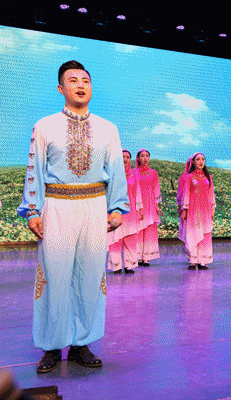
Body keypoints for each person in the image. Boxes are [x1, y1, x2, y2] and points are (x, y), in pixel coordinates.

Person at [17, 60, 128, 373]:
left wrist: (116, 207)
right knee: (54, 276)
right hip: (57, 206)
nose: (80, 85)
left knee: (91, 277)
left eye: (85, 80)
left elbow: (116, 170)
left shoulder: (108, 128)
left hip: (94, 206)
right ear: (60, 88)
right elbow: (34, 170)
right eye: (73, 80)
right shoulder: (45, 126)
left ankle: (82, 343)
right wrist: (33, 210)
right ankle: (52, 346)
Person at [107, 150, 143, 274]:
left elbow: (138, 193)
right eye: (122, 156)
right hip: (115, 211)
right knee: (115, 238)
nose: (125, 159)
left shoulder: (134, 176)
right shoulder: (111, 174)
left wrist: (140, 209)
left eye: (127, 157)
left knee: (131, 237)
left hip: (131, 211)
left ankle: (129, 265)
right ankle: (116, 265)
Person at [181, 153, 216, 270]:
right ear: (193, 162)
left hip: (206, 210)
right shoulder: (189, 177)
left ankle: (203, 261)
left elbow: (211, 193)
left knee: (205, 233)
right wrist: (184, 210)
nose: (201, 161)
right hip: (193, 209)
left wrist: (213, 208)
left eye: (203, 159)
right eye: (198, 159)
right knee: (193, 232)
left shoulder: (208, 177)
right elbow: (186, 193)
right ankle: (193, 260)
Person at [134, 149, 162, 266]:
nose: (145, 158)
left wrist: (157, 206)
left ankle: (147, 257)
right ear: (138, 158)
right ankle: (138, 257)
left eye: (147, 156)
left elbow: (156, 189)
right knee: (139, 230)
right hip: (138, 204)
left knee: (149, 229)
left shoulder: (154, 173)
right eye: (142, 156)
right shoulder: (134, 173)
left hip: (150, 204)